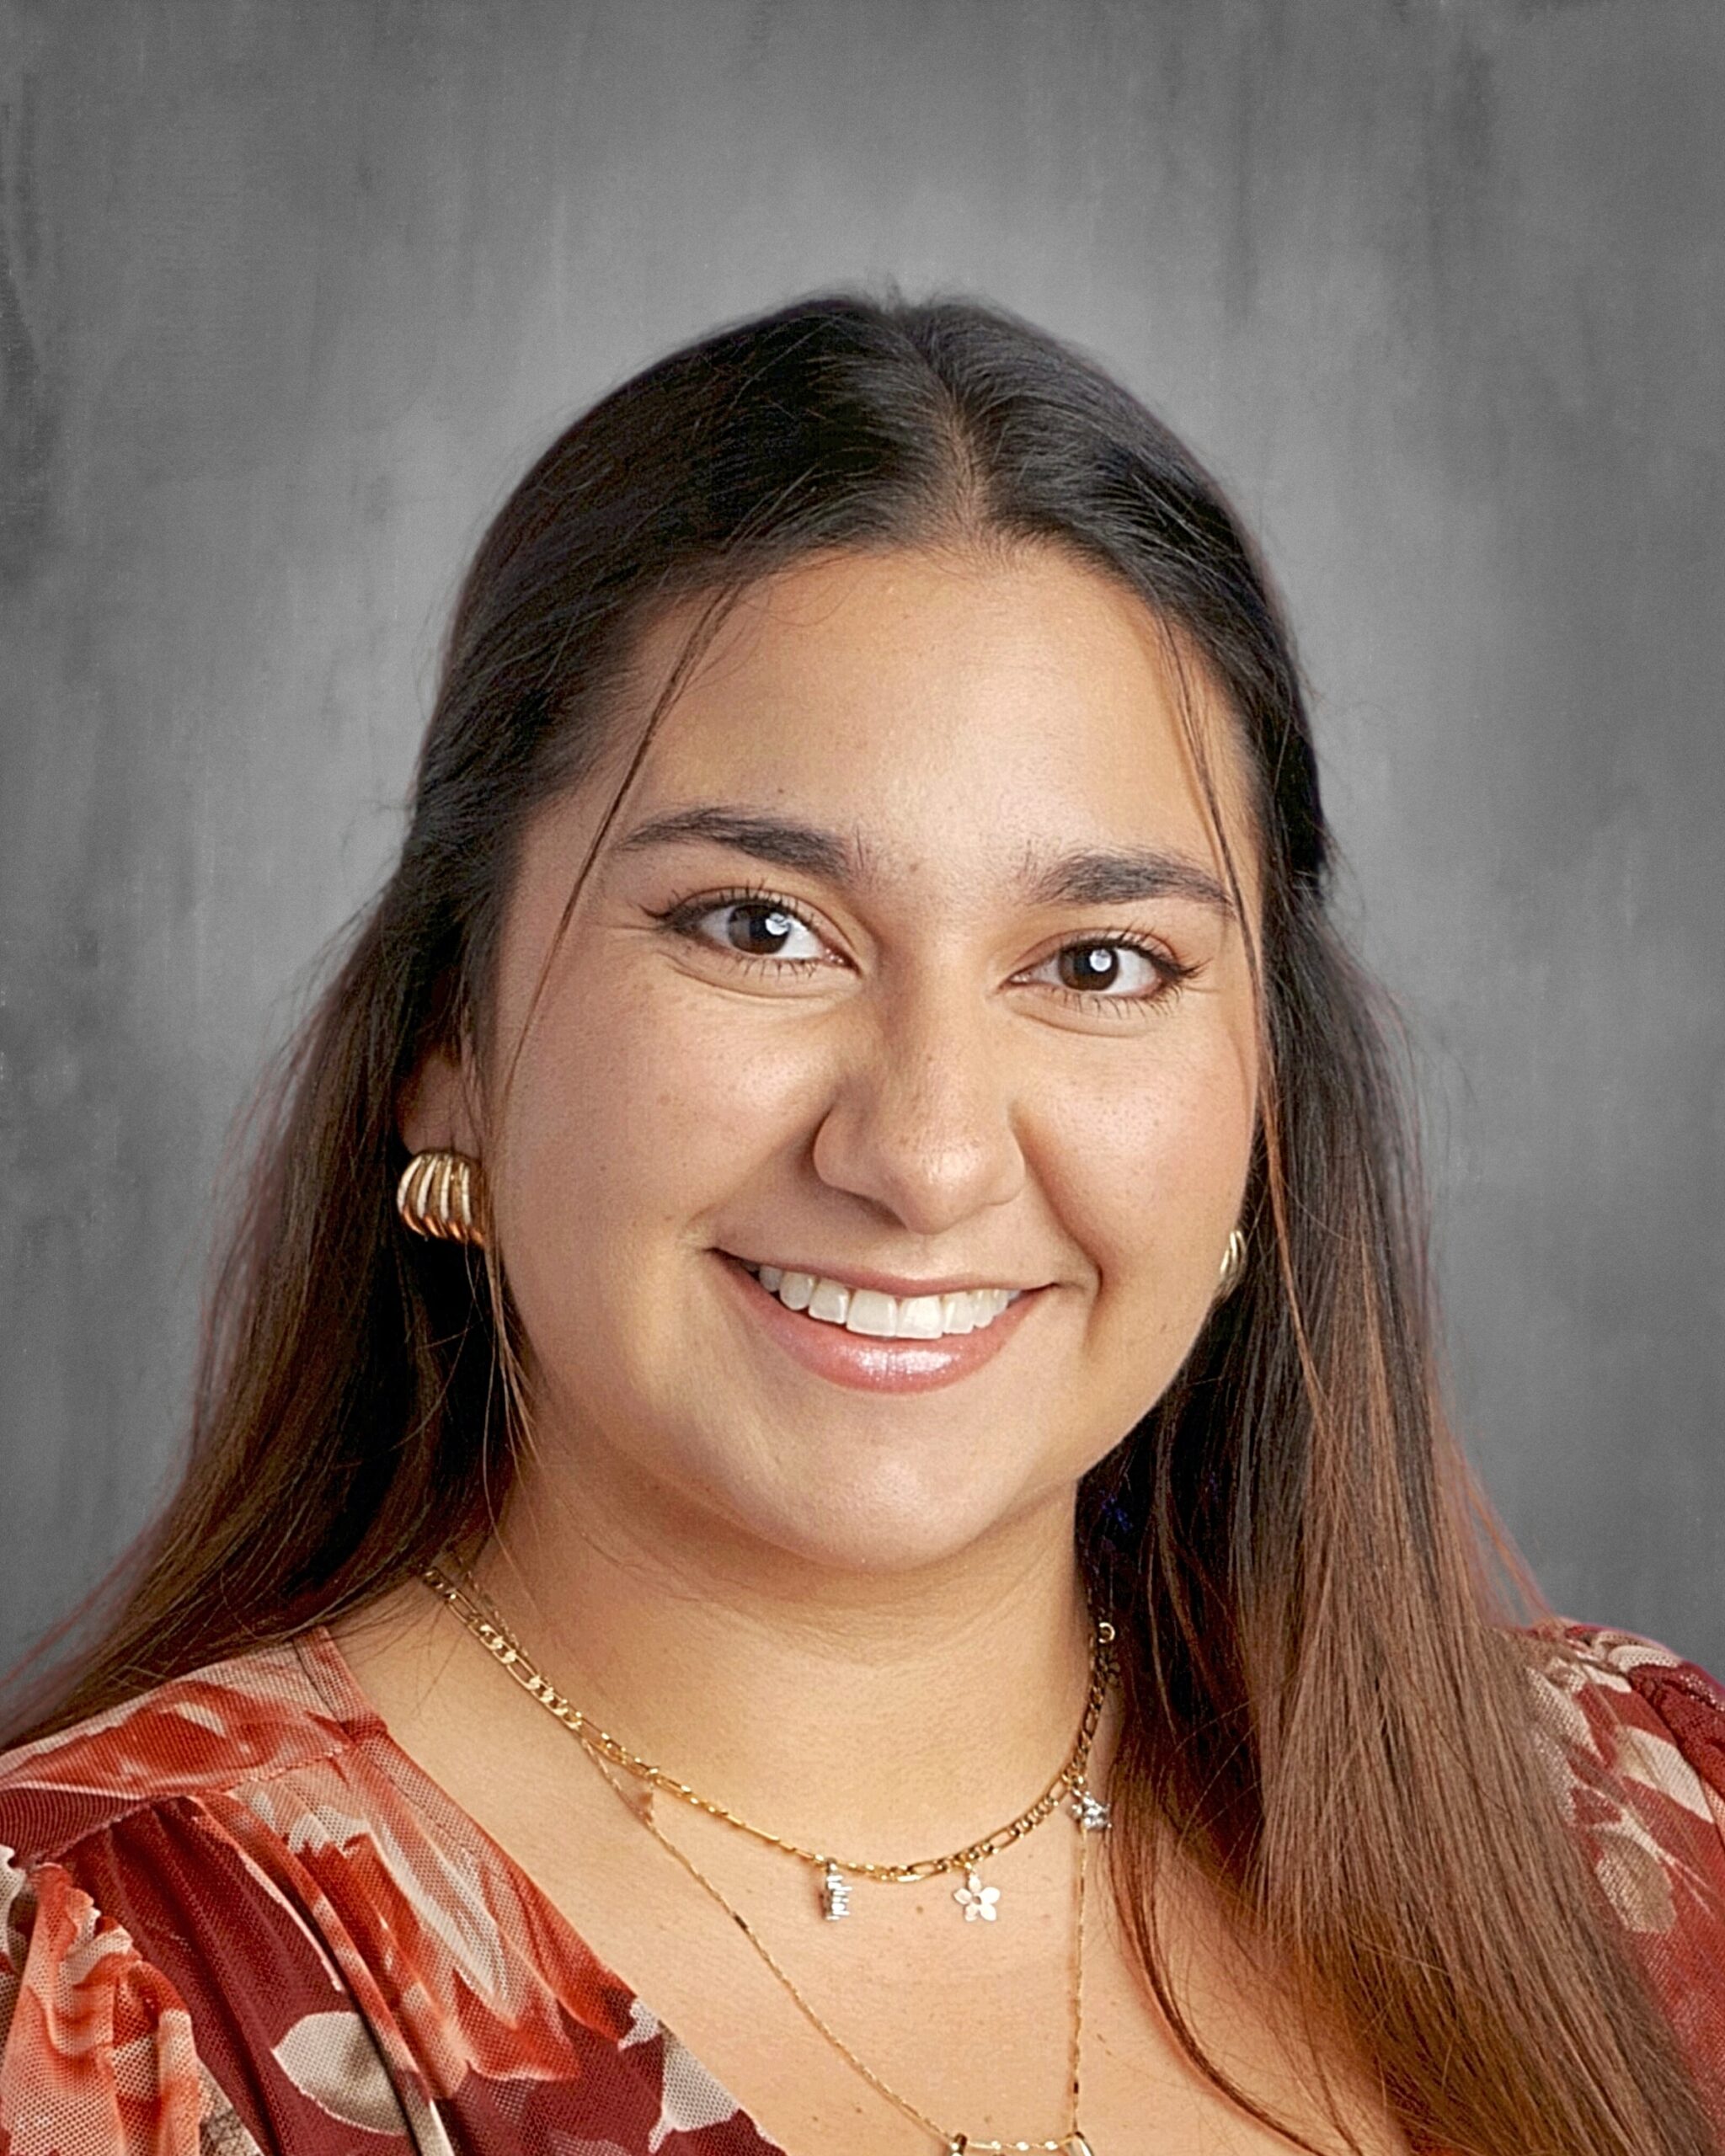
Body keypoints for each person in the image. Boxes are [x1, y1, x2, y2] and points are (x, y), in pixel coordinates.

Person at [1, 292, 1720, 2156]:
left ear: (1263, 1103)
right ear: (448, 1040)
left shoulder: (1638, 1839)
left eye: (1097, 959)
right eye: (759, 925)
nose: (923, 1150)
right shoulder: (118, 1999)